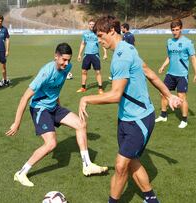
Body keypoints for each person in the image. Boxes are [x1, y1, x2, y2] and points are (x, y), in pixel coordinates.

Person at [78, 16, 182, 203]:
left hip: (139, 119)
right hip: (125, 118)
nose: (99, 40)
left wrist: (86, 98)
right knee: (132, 162)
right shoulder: (127, 48)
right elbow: (149, 72)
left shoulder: (122, 56)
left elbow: (115, 94)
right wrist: (169, 95)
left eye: (101, 35)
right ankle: (151, 199)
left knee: (120, 166)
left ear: (112, 31)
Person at [6, 43, 107, 187]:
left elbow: (56, 88)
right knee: (51, 144)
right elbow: (25, 97)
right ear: (56, 56)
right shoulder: (45, 73)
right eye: (63, 60)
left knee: (81, 124)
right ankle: (21, 173)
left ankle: (87, 165)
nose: (66, 63)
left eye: (69, 60)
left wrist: (57, 104)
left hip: (54, 107)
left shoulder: (68, 68)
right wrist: (17, 123)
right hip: (40, 109)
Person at [155, 19, 196, 128]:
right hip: (170, 74)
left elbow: (193, 58)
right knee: (163, 93)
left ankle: (184, 120)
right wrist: (163, 66)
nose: (175, 32)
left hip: (182, 75)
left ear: (181, 29)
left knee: (181, 97)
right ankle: (163, 115)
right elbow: (170, 56)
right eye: (173, 30)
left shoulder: (188, 42)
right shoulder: (169, 42)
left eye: (177, 30)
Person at [77, 19, 107, 94]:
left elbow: (102, 43)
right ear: (88, 25)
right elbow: (83, 43)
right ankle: (83, 87)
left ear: (95, 25)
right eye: (90, 24)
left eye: (93, 24)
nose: (91, 25)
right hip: (86, 55)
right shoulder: (85, 33)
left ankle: (100, 88)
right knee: (84, 71)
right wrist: (79, 54)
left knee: (98, 72)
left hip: (95, 55)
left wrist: (105, 53)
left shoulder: (98, 33)